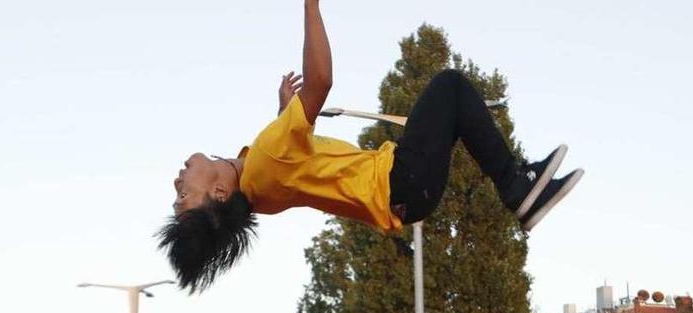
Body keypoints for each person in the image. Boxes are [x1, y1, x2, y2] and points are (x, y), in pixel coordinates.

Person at [159, 0, 584, 293]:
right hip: (399, 181)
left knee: (453, 105)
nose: (179, 178)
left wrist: (285, 115)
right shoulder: (267, 157)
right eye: (182, 193)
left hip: (405, 196)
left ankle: (519, 185)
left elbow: (291, 168)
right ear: (218, 193)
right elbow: (321, 81)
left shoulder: (258, 190)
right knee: (449, 86)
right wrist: (311, 7)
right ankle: (516, 187)